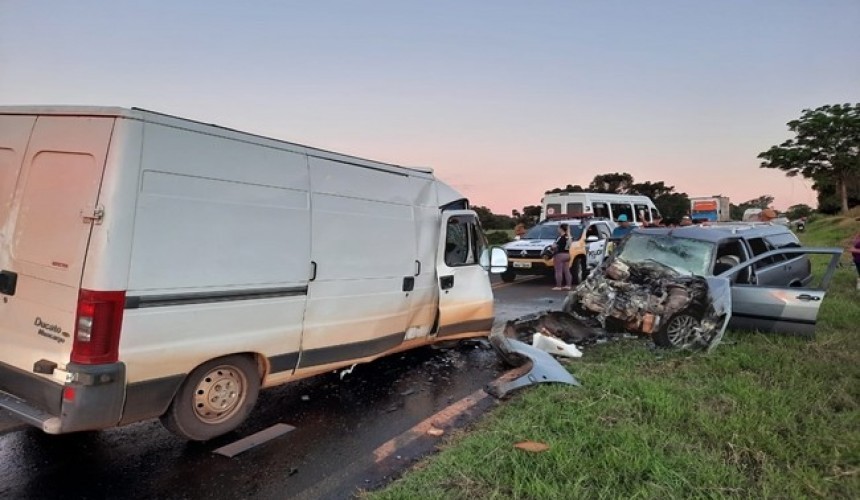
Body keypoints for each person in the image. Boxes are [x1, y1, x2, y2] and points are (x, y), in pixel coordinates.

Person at [551, 223, 573, 291]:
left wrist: (552, 246)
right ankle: (568, 285)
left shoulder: (560, 237)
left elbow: (555, 246)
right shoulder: (569, 237)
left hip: (559, 255)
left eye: (558, 228)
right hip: (567, 254)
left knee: (558, 271)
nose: (557, 229)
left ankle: (558, 286)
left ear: (561, 229)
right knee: (567, 271)